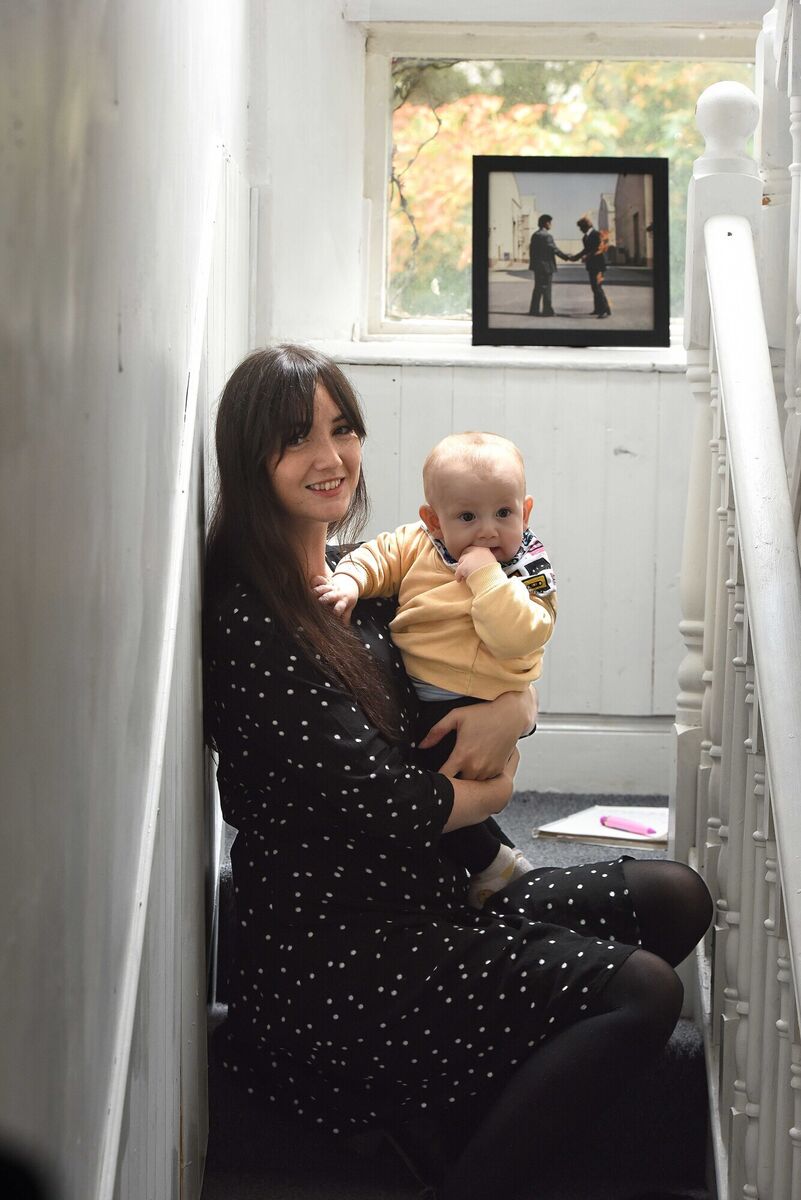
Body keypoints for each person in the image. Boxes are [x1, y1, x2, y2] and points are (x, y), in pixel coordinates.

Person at [203, 343, 713, 1200]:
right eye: (297, 439)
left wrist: (516, 710)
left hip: (433, 888)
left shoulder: (365, 574)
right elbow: (393, 802)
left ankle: (443, 1107)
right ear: (251, 459)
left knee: (674, 896)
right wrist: (502, 788)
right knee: (643, 991)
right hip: (340, 946)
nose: (330, 458)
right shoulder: (252, 618)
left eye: (342, 429)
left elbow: (489, 668)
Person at [315, 430, 557, 908]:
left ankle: (489, 863)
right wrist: (348, 579)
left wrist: (487, 577)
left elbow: (521, 637)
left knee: (441, 784)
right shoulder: (418, 544)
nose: (488, 530)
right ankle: (496, 863)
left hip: (484, 699)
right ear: (434, 520)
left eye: (504, 513)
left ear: (524, 512)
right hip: (421, 696)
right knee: (436, 787)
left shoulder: (527, 567)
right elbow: (376, 557)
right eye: (467, 517)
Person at [528, 213, 572, 317]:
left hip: (537, 266)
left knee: (538, 288)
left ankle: (534, 310)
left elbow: (532, 251)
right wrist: (567, 256)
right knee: (547, 288)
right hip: (546, 266)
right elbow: (554, 249)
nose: (551, 225)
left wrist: (534, 264)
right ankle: (547, 310)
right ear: (546, 223)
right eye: (550, 222)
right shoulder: (547, 236)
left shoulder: (534, 235)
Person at [576, 214, 612, 318]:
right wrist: (575, 257)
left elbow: (598, 249)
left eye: (581, 227)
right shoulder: (585, 237)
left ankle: (604, 310)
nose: (580, 229)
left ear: (586, 226)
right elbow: (585, 250)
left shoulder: (597, 234)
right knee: (595, 287)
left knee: (597, 287)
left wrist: (586, 257)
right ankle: (599, 309)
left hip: (599, 265)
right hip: (591, 266)